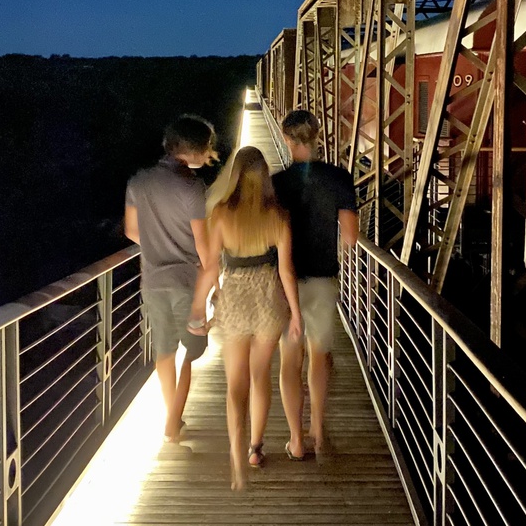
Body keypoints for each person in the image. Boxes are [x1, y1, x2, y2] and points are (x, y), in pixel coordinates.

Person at [188, 146, 302, 490]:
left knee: (235, 385)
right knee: (259, 377)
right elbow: (286, 270)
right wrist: (296, 314)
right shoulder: (278, 215)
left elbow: (210, 268)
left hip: (235, 299)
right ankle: (255, 448)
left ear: (235, 176)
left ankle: (236, 457)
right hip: (268, 299)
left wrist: (198, 308)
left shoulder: (221, 214)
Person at [124, 114, 216, 444]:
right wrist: (216, 285)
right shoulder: (191, 187)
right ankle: (173, 420)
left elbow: (132, 231)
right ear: (192, 150)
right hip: (187, 282)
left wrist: (158, 243)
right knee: (192, 349)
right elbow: (203, 244)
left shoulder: (138, 181)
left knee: (163, 351)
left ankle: (171, 415)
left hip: (152, 280)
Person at [273, 110, 358, 459]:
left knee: (289, 360)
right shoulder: (340, 177)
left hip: (284, 281)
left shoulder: (276, 183)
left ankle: (296, 439)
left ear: (287, 140)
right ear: (318, 136)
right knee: (320, 356)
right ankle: (319, 430)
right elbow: (351, 238)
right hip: (323, 277)